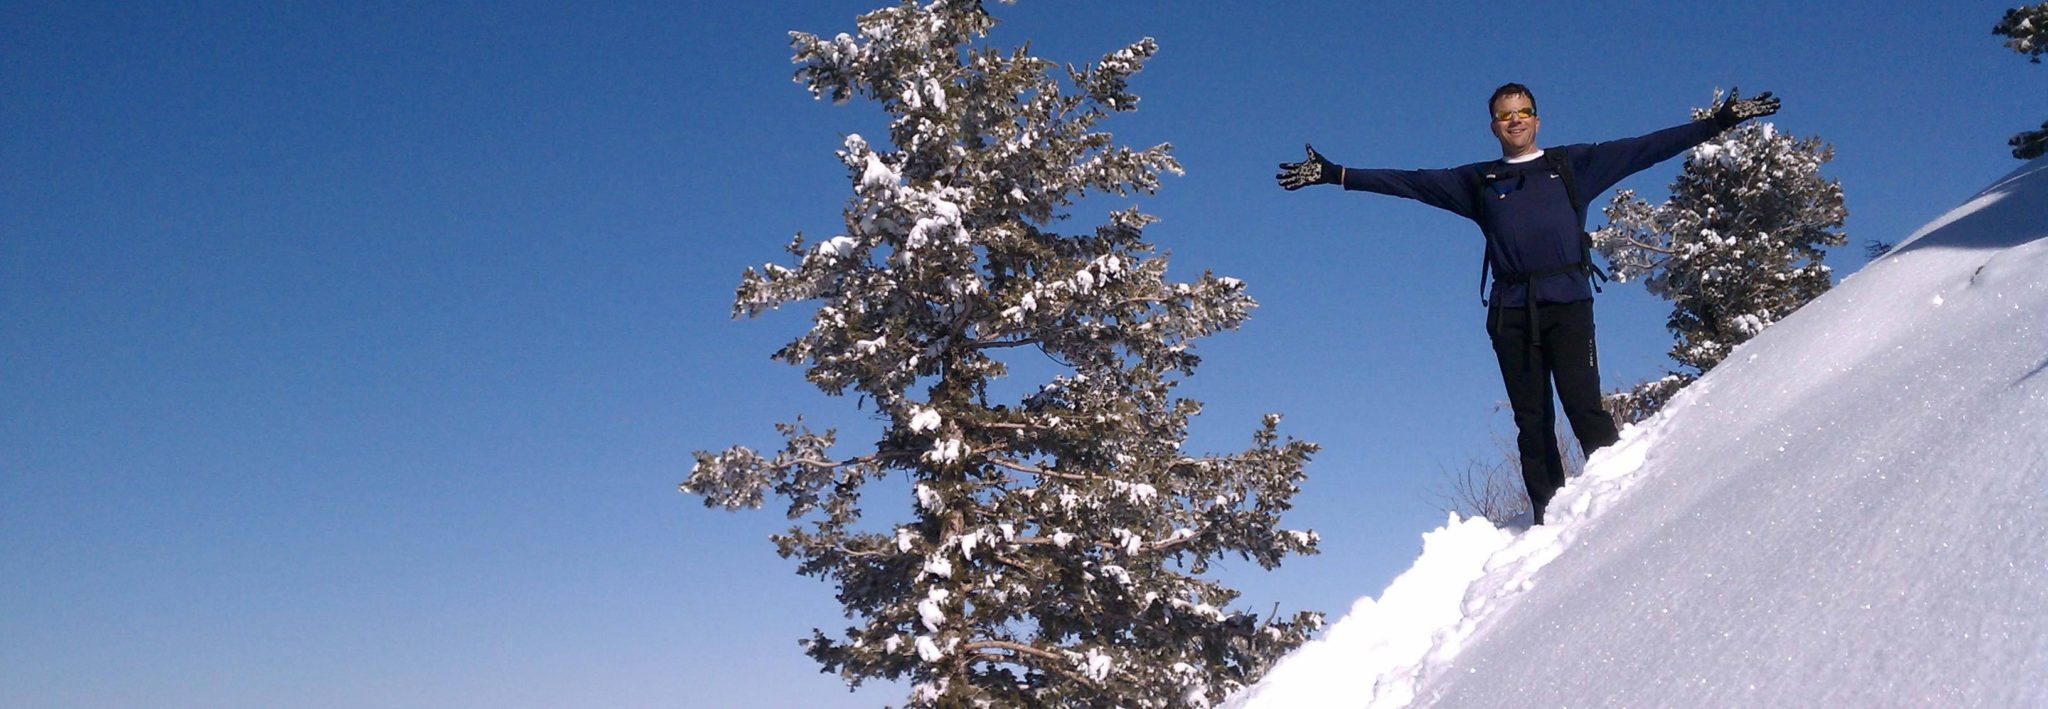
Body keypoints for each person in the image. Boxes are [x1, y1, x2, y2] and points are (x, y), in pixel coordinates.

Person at [1276, 83, 1780, 525]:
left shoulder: (1571, 165)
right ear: (1493, 125)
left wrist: (1719, 122)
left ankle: (1618, 510)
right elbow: (1409, 182)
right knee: (1531, 421)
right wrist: (1336, 173)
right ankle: (1549, 520)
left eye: (1522, 112)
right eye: (1504, 114)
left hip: (1568, 301)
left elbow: (1646, 148)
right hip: (1511, 311)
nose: (1514, 120)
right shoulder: (1479, 180)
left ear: (1536, 119)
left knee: (1584, 407)